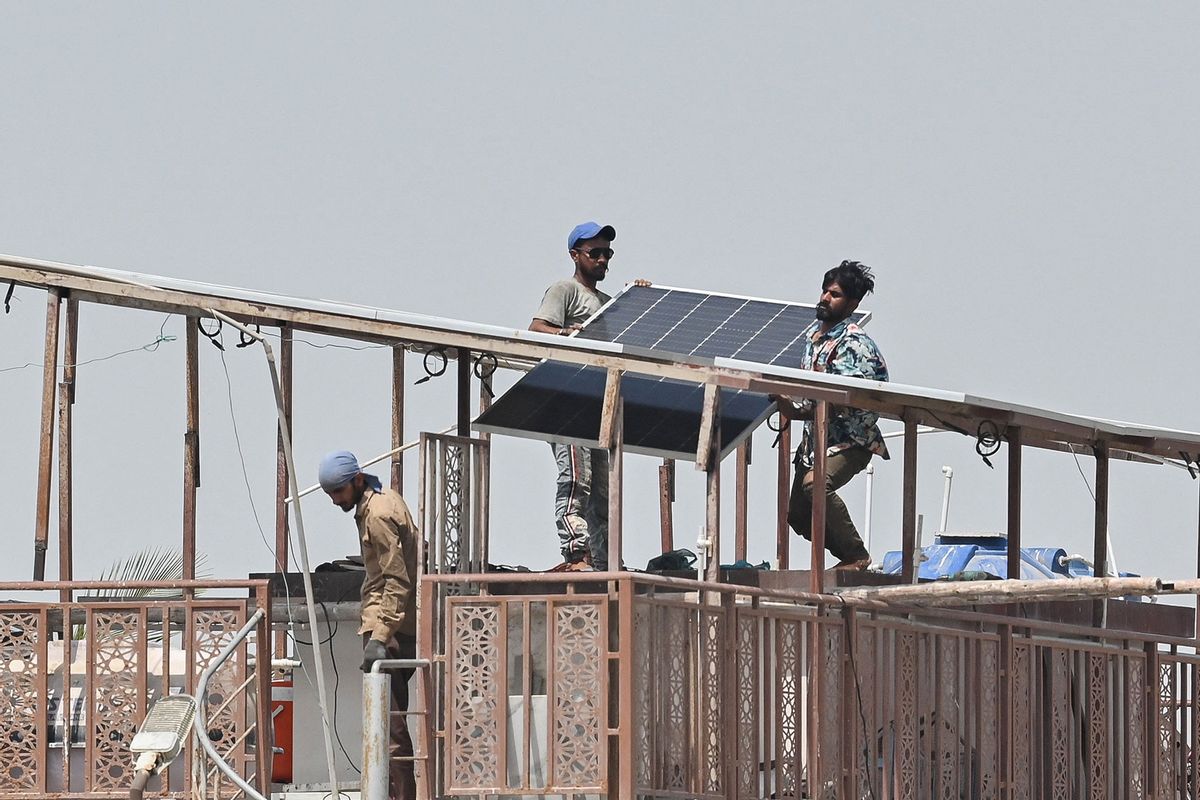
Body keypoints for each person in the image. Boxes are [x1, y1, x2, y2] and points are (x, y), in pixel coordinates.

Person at [774, 260, 889, 571]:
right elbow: (815, 400)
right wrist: (790, 407)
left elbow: (863, 398)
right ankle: (847, 555)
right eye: (825, 291)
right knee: (797, 515)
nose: (825, 298)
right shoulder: (813, 338)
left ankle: (856, 556)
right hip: (815, 441)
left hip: (851, 441)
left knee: (815, 486)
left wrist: (816, 405)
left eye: (834, 294)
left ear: (852, 303)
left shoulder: (854, 343)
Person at [319, 450, 418, 800]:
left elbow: (396, 580)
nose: (335, 501)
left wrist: (380, 635)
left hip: (389, 630)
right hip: (396, 626)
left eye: (338, 493)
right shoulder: (381, 499)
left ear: (356, 481)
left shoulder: (377, 515)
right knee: (387, 723)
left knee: (388, 727)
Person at [528, 221, 617, 570]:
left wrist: (639, 297)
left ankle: (604, 558)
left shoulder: (609, 303)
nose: (602, 260)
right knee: (576, 478)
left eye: (607, 253)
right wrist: (567, 333)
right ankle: (576, 551)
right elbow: (536, 330)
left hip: (597, 406)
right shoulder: (565, 290)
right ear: (575, 255)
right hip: (567, 401)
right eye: (594, 253)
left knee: (603, 491)